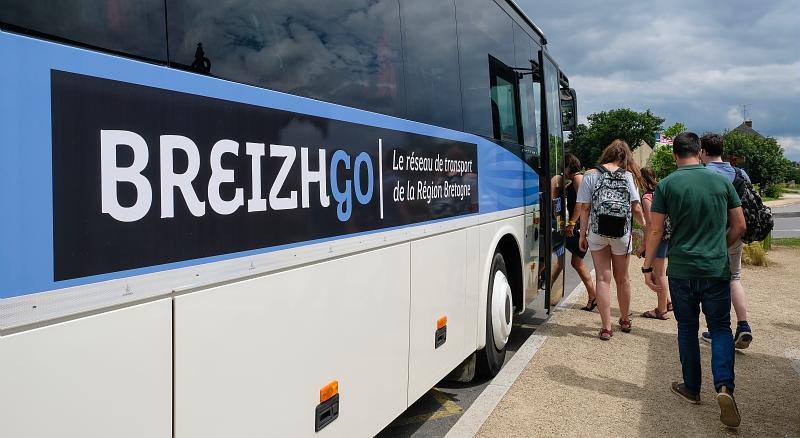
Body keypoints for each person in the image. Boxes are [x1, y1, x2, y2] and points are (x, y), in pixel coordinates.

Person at [642, 132, 746, 428]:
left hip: (682, 269)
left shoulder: (667, 184)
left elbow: (655, 231)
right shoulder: (723, 181)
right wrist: (719, 247)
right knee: (721, 328)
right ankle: (724, 387)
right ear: (700, 152)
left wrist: (648, 267)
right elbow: (740, 225)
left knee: (687, 329)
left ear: (675, 154)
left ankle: (691, 388)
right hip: (715, 268)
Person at [577, 140, 646, 340]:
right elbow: (636, 207)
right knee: (622, 278)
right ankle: (624, 319)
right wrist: (645, 227)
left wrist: (582, 235)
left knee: (602, 279)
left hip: (597, 232)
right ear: (625, 157)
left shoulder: (590, 175)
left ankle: (606, 327)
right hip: (621, 233)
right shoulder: (628, 176)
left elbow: (585, 208)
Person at [699, 133, 753, 349]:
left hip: (710, 236)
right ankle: (743, 325)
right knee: (734, 278)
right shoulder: (740, 173)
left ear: (703, 151)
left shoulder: (703, 174)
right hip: (735, 232)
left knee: (710, 284)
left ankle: (716, 330)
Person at [635, 167, 672, 319]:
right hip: (667, 236)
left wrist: (643, 246)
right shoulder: (662, 191)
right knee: (659, 273)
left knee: (659, 274)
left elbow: (651, 225)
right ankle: (668, 302)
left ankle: (661, 309)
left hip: (658, 239)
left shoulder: (647, 197)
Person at [563, 153, 597, 311]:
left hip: (577, 227)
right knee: (576, 262)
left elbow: (581, 202)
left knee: (574, 260)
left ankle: (593, 296)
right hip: (578, 225)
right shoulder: (577, 179)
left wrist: (571, 223)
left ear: (569, 166)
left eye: (563, 166)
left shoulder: (578, 178)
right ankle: (593, 296)